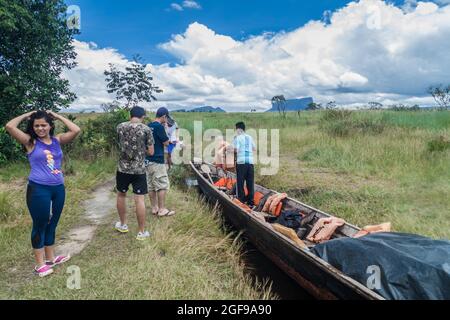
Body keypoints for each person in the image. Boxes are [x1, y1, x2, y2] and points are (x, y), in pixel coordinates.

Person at [5, 110, 81, 277]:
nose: (40, 128)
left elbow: (76, 130)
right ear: (33, 127)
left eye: (43, 125)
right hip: (39, 189)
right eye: (36, 125)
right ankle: (40, 265)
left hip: (58, 188)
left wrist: (57, 116)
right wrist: (27, 115)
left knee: (52, 223)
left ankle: (50, 259)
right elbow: (10, 126)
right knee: (40, 225)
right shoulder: (30, 142)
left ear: (50, 126)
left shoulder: (57, 140)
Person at [115, 106, 154, 241]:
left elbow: (119, 144)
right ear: (142, 116)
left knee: (121, 195)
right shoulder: (146, 129)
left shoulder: (120, 127)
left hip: (122, 168)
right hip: (139, 169)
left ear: (130, 115)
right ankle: (141, 232)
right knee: (139, 199)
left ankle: (123, 224)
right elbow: (151, 152)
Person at [146, 107, 175, 217]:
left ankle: (154, 208)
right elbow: (167, 143)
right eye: (166, 118)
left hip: (148, 160)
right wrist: (166, 129)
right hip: (157, 160)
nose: (167, 120)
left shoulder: (149, 126)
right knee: (162, 185)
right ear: (164, 116)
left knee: (151, 185)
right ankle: (162, 209)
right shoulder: (159, 127)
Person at [232, 122, 256, 207]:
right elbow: (254, 148)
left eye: (236, 129)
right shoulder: (250, 137)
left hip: (241, 163)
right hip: (250, 163)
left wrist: (229, 150)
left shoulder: (237, 138)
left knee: (240, 182)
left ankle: (241, 201)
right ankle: (251, 202)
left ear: (238, 129)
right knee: (250, 183)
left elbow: (236, 150)